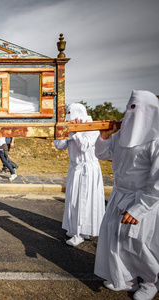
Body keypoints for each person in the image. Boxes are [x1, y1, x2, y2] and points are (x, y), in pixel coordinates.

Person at [94, 90, 159, 299]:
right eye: (129, 108)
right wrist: (104, 138)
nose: (130, 113)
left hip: (142, 199)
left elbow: (157, 181)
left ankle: (151, 281)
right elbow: (103, 154)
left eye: (136, 108)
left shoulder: (155, 140)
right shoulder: (122, 134)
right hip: (119, 195)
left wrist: (140, 208)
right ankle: (127, 279)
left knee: (138, 242)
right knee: (116, 238)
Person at [53, 103, 105, 247]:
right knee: (73, 200)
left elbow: (84, 146)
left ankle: (81, 234)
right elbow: (59, 145)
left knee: (84, 200)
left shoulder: (92, 128)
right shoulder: (70, 127)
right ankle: (74, 228)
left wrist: (76, 132)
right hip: (75, 168)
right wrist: (65, 132)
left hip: (88, 169)